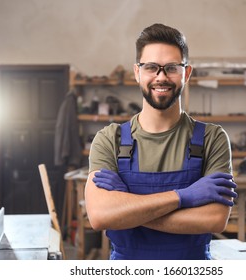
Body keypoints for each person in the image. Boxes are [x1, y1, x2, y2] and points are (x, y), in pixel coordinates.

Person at [85, 23, 237, 260]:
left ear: (186, 73)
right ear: (137, 72)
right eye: (151, 67)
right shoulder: (109, 139)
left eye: (171, 68)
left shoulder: (212, 138)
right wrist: (183, 198)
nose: (161, 77)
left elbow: (215, 219)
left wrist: (128, 210)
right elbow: (100, 217)